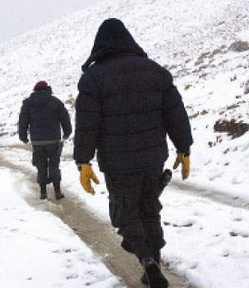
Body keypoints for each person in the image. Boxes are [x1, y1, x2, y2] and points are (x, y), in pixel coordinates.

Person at [73, 19, 193, 288]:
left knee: (125, 213)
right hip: (153, 159)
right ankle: (154, 261)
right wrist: (184, 148)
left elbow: (87, 124)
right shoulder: (156, 72)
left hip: (118, 163)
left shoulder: (93, 79)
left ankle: (147, 261)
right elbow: (176, 114)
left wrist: (83, 161)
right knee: (150, 209)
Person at [19, 81, 72, 200]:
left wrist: (23, 136)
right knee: (54, 165)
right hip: (53, 140)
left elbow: (23, 120)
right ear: (47, 88)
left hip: (38, 142)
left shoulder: (28, 103)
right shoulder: (55, 102)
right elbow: (65, 117)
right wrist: (67, 132)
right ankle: (57, 192)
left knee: (41, 166)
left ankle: (43, 193)